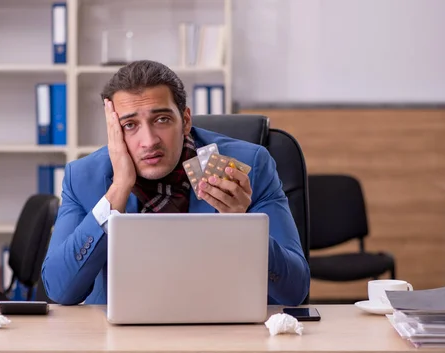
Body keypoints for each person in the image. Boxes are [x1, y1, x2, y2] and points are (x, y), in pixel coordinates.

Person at [41, 60, 310, 306]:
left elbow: (294, 291)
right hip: (120, 340)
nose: (149, 141)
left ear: (186, 120)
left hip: (223, 330)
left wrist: (243, 226)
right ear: (114, 131)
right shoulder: (83, 177)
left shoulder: (251, 166)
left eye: (161, 119)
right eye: (130, 125)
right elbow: (59, 290)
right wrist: (119, 189)